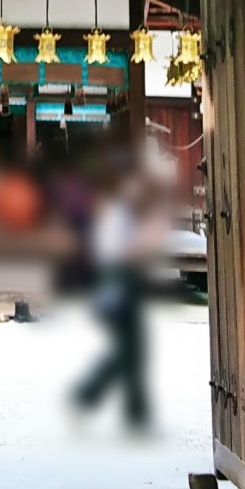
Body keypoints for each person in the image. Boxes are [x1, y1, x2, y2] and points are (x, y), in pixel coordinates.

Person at [70, 147, 170, 432]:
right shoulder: (115, 210)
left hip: (124, 278)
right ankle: (91, 395)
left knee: (134, 348)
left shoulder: (119, 208)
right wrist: (144, 242)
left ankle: (134, 409)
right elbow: (115, 250)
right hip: (117, 279)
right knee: (129, 349)